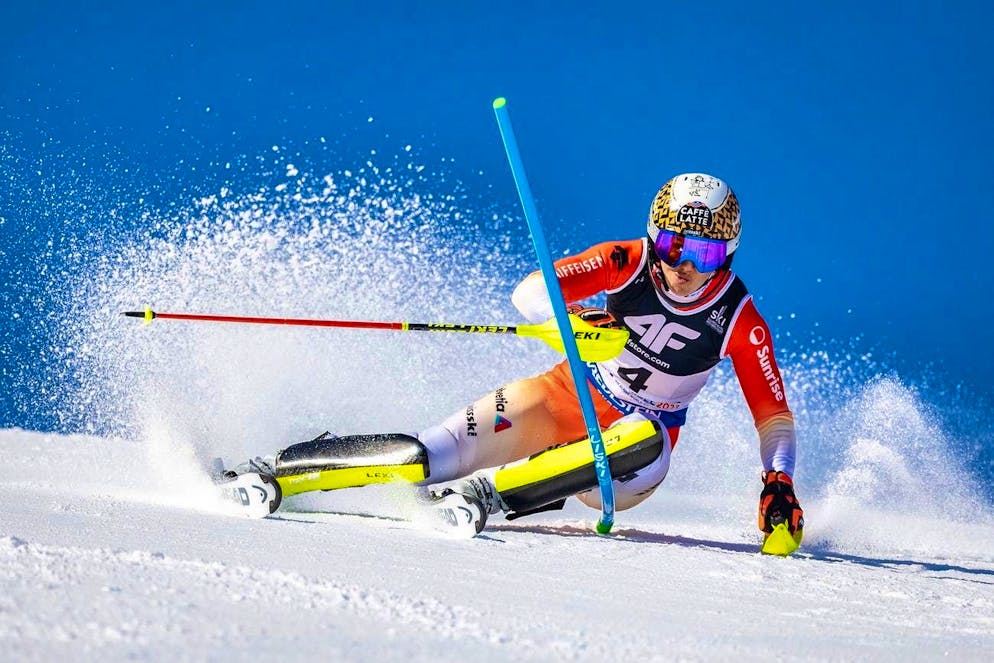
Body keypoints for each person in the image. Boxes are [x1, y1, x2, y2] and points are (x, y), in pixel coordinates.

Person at [222, 172, 804, 544]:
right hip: (563, 395)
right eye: (676, 244)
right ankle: (285, 467)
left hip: (629, 458)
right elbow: (530, 292)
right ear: (655, 237)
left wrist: (778, 480)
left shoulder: (738, 318)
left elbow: (773, 416)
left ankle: (489, 493)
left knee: (643, 437)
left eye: (703, 252)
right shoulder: (624, 262)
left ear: (725, 254)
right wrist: (568, 327)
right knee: (429, 452)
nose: (685, 265)